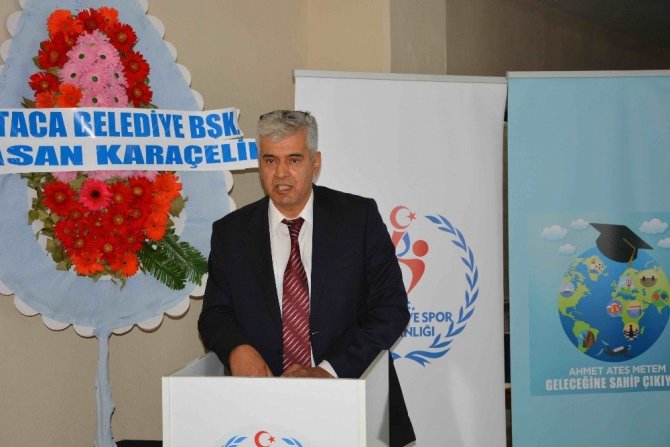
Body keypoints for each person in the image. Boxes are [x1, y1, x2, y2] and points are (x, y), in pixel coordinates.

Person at [198, 110, 416, 446]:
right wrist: (236, 349)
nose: (281, 173)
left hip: (352, 397)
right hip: (261, 412)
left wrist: (327, 371)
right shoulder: (231, 233)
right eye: (270, 160)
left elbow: (391, 310)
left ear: (315, 164)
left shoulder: (358, 219)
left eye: (294, 160)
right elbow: (215, 315)